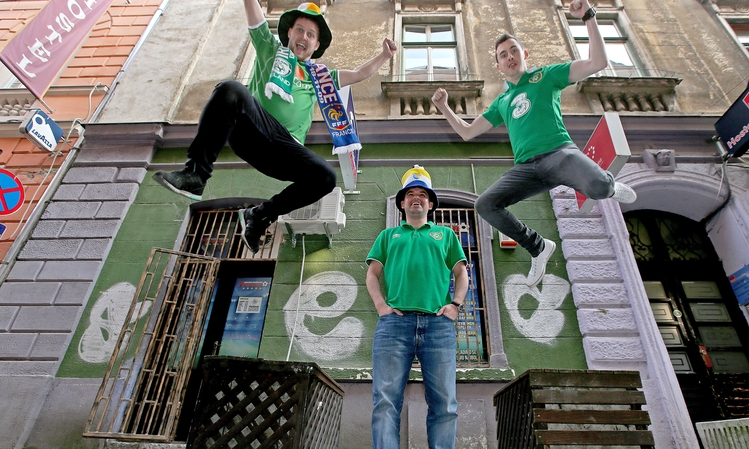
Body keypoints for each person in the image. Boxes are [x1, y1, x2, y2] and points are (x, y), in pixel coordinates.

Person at [153, 1, 396, 253]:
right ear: (289, 33)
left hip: (285, 151)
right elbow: (256, 18)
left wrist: (384, 56)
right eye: (300, 30)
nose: (304, 37)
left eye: (310, 35)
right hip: (252, 131)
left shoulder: (319, 77)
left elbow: (358, 74)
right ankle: (195, 175)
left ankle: (259, 216)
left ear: (316, 45)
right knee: (230, 89)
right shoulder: (269, 49)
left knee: (326, 177)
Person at [430, 0, 637, 287]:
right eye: (503, 55)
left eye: (514, 50)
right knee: (485, 204)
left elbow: (597, 63)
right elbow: (467, 132)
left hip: (558, 153)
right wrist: (444, 107)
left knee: (599, 188)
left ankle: (610, 185)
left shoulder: (546, 76)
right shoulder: (501, 102)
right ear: (498, 65)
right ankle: (538, 246)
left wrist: (588, 16)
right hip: (527, 169)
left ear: (524, 54)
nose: (510, 56)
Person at [366, 165, 468, 449]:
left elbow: (462, 274)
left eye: (423, 194)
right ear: (401, 202)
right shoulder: (388, 236)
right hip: (394, 325)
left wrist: (455, 305)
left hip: (438, 326)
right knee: (385, 402)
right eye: (410, 193)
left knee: (444, 404)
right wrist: (381, 307)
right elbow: (372, 275)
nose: (416, 198)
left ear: (430, 203)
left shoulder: (446, 235)